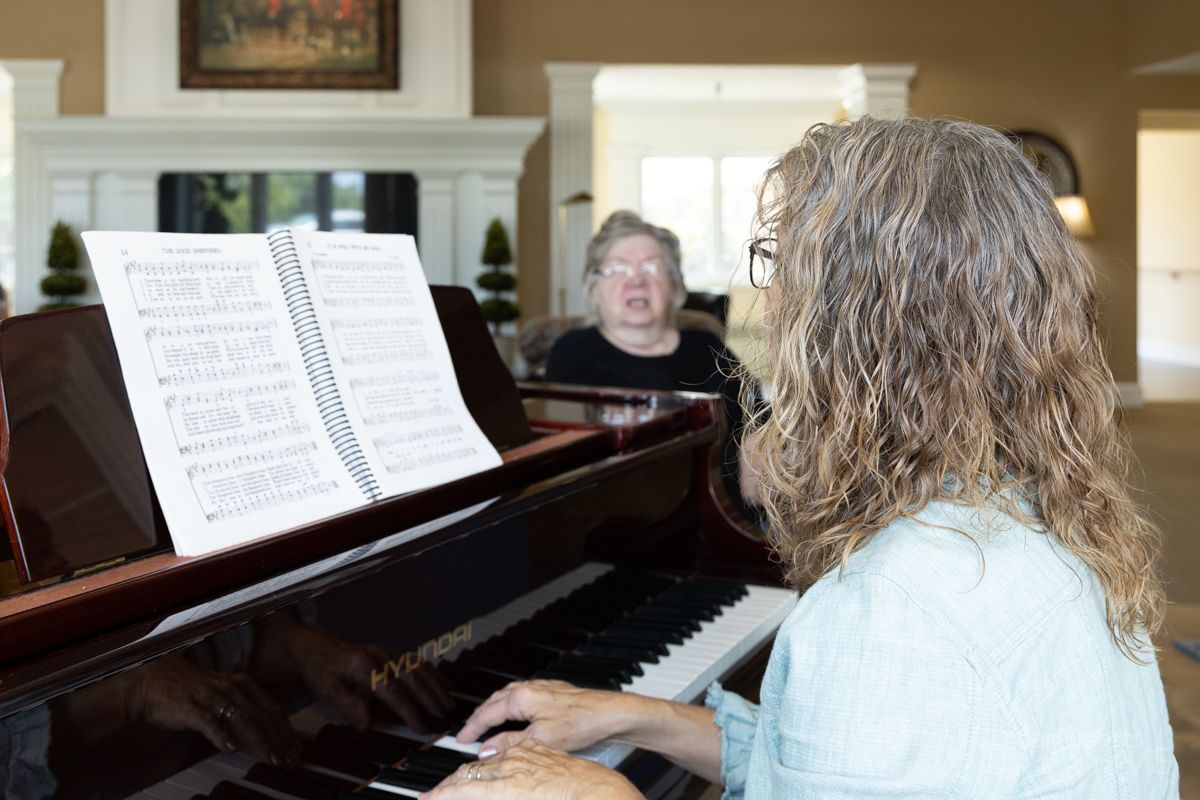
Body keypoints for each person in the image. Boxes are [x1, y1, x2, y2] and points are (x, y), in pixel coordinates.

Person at [423, 117, 1179, 799]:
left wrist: (596, 795)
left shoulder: (893, 608)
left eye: (781, 264)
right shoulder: (1026, 514)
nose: (769, 299)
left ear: (851, 329)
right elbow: (825, 771)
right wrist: (631, 714)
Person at [545, 210, 762, 511]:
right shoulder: (573, 352)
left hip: (727, 518)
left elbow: (757, 420)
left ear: (673, 285)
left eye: (651, 267)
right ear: (594, 288)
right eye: (618, 269)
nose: (636, 281)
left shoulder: (706, 346)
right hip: (623, 522)